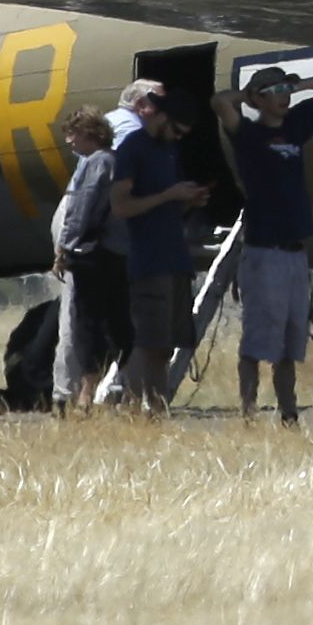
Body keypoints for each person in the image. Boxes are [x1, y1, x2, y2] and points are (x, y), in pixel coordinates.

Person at [226, 64, 313, 423]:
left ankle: (288, 413)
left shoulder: (296, 125)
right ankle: (248, 412)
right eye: (274, 91)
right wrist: (250, 96)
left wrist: (297, 84)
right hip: (265, 251)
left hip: (295, 250)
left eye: (285, 90)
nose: (283, 97)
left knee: (290, 343)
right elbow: (220, 101)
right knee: (257, 341)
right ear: (260, 97)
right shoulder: (248, 134)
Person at [106, 86, 211, 410]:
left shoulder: (169, 150)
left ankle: (158, 407)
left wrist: (188, 199)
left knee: (166, 344)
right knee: (147, 341)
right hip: (149, 261)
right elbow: (121, 205)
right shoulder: (133, 148)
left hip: (175, 257)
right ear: (162, 117)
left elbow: (168, 203)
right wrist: (168, 196)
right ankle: (134, 406)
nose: (178, 137)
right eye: (176, 130)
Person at [46, 108, 127, 409]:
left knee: (85, 323)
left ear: (89, 133)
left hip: (92, 254)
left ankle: (84, 392)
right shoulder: (113, 161)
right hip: (112, 252)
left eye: (73, 133)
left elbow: (83, 208)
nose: (69, 141)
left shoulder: (96, 163)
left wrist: (65, 248)